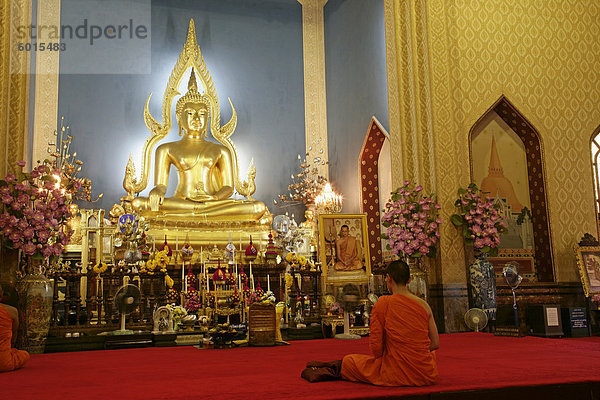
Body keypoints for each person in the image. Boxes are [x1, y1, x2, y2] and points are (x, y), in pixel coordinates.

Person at [131, 69, 268, 222]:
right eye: (190, 113)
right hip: (182, 202)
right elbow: (161, 185)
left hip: (212, 204)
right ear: (179, 117)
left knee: (257, 207)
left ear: (208, 118)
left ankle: (198, 213)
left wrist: (214, 198)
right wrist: (157, 190)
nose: (197, 118)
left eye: (202, 114)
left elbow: (229, 188)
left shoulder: (221, 150)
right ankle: (198, 213)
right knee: (138, 203)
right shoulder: (166, 149)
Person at [301, 260, 439, 386]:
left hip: (395, 371)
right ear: (409, 280)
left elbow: (376, 350)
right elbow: (435, 344)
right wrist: (415, 354)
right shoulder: (424, 305)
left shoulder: (384, 303)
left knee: (350, 361)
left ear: (388, 279)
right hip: (424, 374)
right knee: (430, 355)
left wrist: (399, 355)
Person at [0, 285, 30, 372]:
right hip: (3, 362)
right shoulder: (12, 311)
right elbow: (14, 336)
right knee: (25, 355)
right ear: (2, 294)